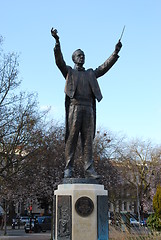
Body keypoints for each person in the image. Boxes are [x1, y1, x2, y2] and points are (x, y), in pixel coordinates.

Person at [51, 28, 122, 179]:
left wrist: (114, 53)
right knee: (72, 138)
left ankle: (89, 169)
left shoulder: (90, 73)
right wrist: (57, 42)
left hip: (88, 109)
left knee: (88, 140)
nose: (82, 57)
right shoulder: (69, 72)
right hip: (74, 108)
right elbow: (59, 61)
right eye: (79, 55)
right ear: (74, 59)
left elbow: (104, 67)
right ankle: (68, 168)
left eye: (83, 55)